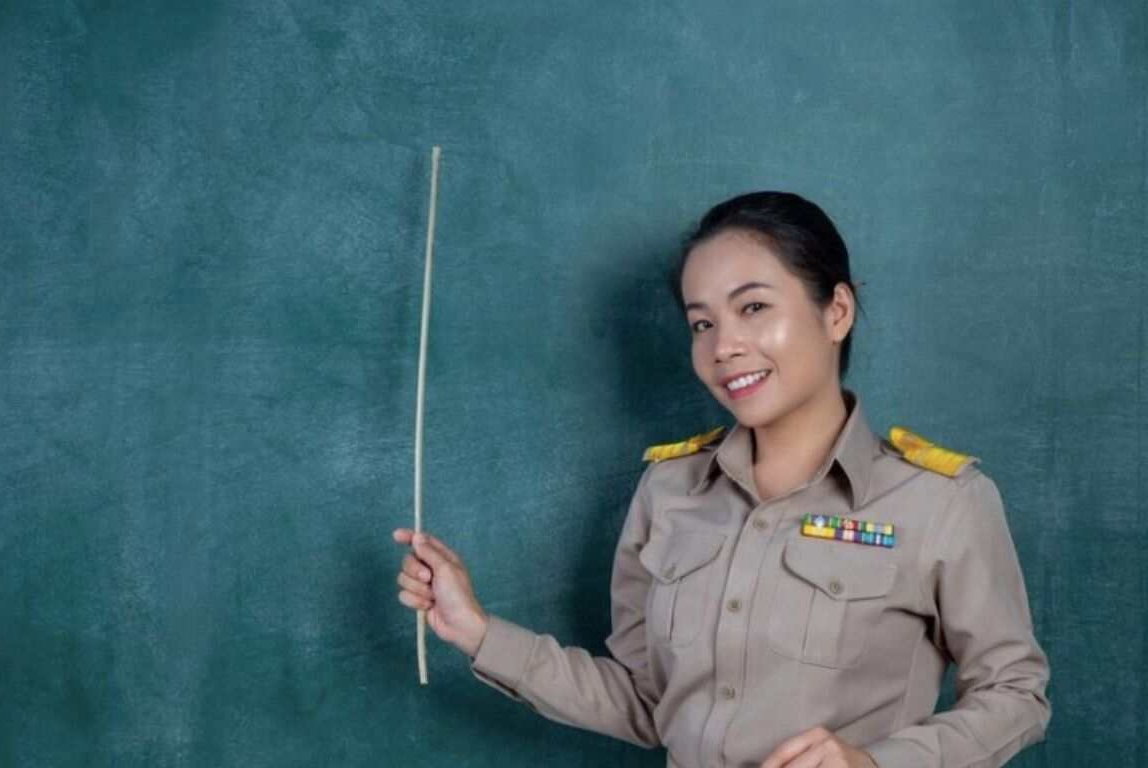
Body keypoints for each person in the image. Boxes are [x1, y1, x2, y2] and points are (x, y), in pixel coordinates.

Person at [390, 191, 1051, 768]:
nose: (723, 346)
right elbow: (648, 702)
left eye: (754, 307)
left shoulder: (941, 501)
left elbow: (1016, 694)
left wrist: (877, 764)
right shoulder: (669, 491)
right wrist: (477, 630)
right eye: (702, 322)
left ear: (837, 312)